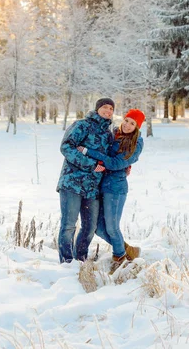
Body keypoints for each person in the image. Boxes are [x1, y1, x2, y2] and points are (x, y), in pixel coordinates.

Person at [78, 108, 145, 272]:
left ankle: (120, 259)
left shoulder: (136, 143)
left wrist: (88, 152)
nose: (127, 125)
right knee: (99, 228)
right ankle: (128, 249)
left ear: (137, 127)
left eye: (132, 124)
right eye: (127, 121)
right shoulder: (113, 134)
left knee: (112, 227)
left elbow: (115, 163)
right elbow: (106, 153)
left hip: (115, 188)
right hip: (101, 185)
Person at [56, 98, 114, 263]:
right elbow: (66, 146)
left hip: (92, 188)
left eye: (111, 108)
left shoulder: (108, 134)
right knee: (68, 225)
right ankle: (66, 262)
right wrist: (90, 164)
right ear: (97, 109)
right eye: (104, 107)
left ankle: (80, 259)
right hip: (72, 183)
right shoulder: (82, 125)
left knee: (90, 227)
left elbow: (108, 159)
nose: (108, 111)